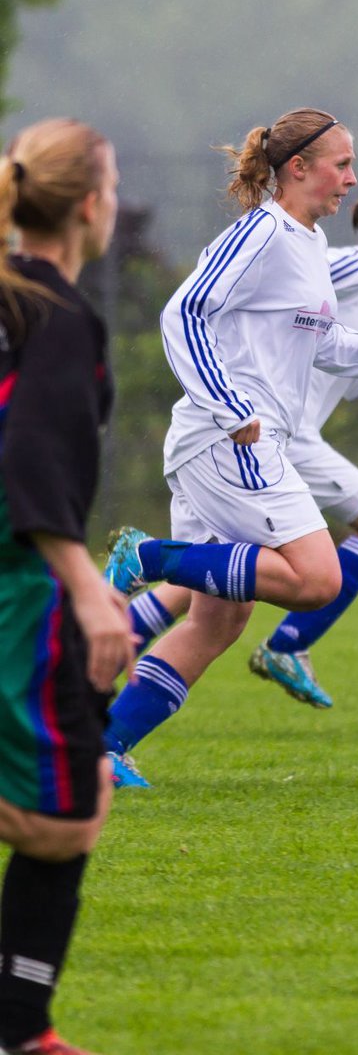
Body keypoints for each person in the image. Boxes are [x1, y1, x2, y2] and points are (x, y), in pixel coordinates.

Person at [103, 111, 358, 788]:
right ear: (297, 168)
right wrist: (229, 404)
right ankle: (146, 556)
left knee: (218, 622)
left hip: (238, 439)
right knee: (317, 579)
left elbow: (328, 348)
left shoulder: (306, 242)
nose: (353, 179)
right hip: (233, 437)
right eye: (342, 164)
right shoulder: (264, 232)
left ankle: (106, 746)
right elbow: (184, 311)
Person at [0, 119, 136, 1055]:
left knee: (79, 788)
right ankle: (20, 1034)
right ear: (92, 205)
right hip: (23, 590)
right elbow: (34, 456)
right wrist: (87, 586)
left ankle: (22, 1029)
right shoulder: (56, 315)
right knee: (65, 817)